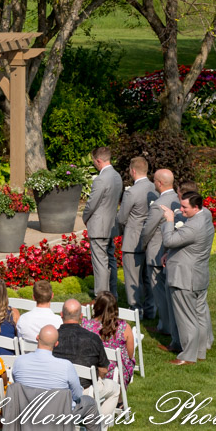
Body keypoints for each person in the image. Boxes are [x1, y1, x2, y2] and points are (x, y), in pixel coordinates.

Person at [11, 326, 108, 431]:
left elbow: (16, 388)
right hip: (56, 416)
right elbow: (78, 395)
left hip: (27, 410)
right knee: (89, 404)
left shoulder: (20, 362)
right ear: (56, 344)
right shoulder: (65, 366)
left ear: (37, 338)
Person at [158, 191, 215, 365]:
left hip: (185, 278)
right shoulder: (205, 215)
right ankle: (201, 349)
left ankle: (188, 356)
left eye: (185, 207)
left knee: (186, 318)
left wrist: (169, 220)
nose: (180, 210)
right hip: (198, 274)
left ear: (196, 207)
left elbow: (169, 240)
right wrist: (170, 254)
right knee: (199, 314)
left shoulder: (193, 227)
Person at [52, 299, 116, 419]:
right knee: (115, 389)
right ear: (81, 317)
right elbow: (103, 369)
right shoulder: (93, 338)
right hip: (86, 390)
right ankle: (99, 429)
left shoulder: (51, 337)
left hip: (55, 388)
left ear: (61, 314)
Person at [83, 145, 124, 296]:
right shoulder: (117, 176)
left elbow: (91, 203)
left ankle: (101, 295)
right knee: (110, 259)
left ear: (98, 160)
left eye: (94, 161)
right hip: (110, 225)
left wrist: (84, 217)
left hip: (99, 226)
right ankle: (112, 292)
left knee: (100, 262)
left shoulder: (101, 179)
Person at [117, 157, 155, 312]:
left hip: (133, 239)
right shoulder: (155, 188)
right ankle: (151, 309)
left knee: (133, 277)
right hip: (151, 238)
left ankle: (136, 309)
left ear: (132, 171)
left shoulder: (131, 192)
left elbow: (121, 217)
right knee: (148, 277)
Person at [146, 168, 179, 334]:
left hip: (157, 254)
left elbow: (147, 231)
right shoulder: (178, 198)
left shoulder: (158, 205)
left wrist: (142, 246)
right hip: (172, 252)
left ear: (159, 183)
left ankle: (165, 326)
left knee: (160, 294)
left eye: (154, 180)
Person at [83, 291, 137, 386]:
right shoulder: (124, 327)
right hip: (116, 373)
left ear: (97, 307)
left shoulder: (86, 325)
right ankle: (120, 398)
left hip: (91, 371)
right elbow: (129, 354)